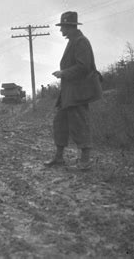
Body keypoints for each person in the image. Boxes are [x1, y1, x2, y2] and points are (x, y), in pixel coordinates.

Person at [45, 11, 102, 170]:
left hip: (79, 92)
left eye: (62, 27)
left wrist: (63, 73)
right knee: (60, 123)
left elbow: (84, 67)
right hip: (69, 92)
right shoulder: (73, 40)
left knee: (80, 124)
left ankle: (85, 161)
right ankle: (58, 157)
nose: (61, 30)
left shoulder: (81, 41)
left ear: (69, 27)